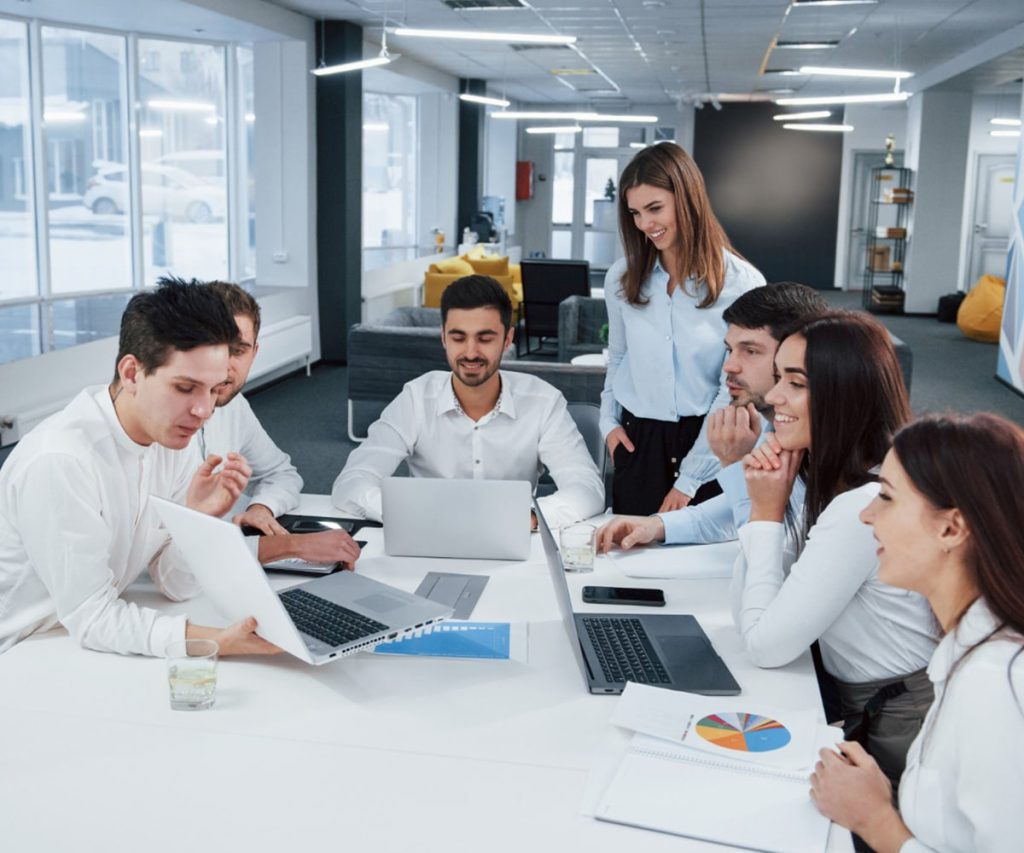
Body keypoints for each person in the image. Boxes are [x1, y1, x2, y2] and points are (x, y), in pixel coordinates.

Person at [0, 278, 279, 658]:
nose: (204, 411)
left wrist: (198, 519)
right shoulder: (61, 461)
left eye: (213, 390)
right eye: (185, 387)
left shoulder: (171, 442)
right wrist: (214, 641)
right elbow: (93, 617)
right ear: (132, 373)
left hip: (72, 638)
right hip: (20, 652)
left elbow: (176, 585)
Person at [734, 311, 937, 785]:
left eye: (797, 383)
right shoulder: (862, 478)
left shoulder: (864, 507)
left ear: (846, 393)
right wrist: (766, 507)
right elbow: (754, 612)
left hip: (899, 723)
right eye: (779, 377)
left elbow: (764, 645)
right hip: (872, 703)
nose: (774, 396)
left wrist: (764, 514)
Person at [811, 413, 1024, 853]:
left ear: (951, 528)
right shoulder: (967, 648)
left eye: (886, 497)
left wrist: (876, 820)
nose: (867, 515)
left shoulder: (995, 685)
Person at [332, 275, 604, 527]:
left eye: (485, 338)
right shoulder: (416, 398)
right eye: (458, 338)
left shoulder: (543, 401)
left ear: (507, 339)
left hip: (516, 541)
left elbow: (587, 489)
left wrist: (526, 519)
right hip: (427, 537)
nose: (471, 352)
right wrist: (412, 513)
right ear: (443, 337)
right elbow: (352, 483)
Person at [596, 282, 826, 552]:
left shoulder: (827, 448)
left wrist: (734, 464)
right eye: (730, 349)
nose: (729, 366)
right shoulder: (773, 428)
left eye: (750, 351)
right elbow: (734, 510)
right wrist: (656, 526)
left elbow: (771, 554)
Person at [601, 142, 766, 517]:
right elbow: (620, 357)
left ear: (687, 198)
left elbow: (735, 389)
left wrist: (689, 478)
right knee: (630, 565)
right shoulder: (622, 279)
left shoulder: (742, 283)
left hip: (710, 440)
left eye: (655, 208)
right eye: (635, 213)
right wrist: (607, 423)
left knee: (703, 564)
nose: (645, 224)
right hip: (636, 441)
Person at [200, 281, 360, 568]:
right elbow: (177, 553)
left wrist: (261, 507)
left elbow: (281, 473)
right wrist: (287, 546)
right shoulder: (163, 422)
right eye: (215, 347)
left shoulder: (233, 406)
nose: (225, 366)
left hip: (220, 568)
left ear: (254, 352)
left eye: (238, 351)